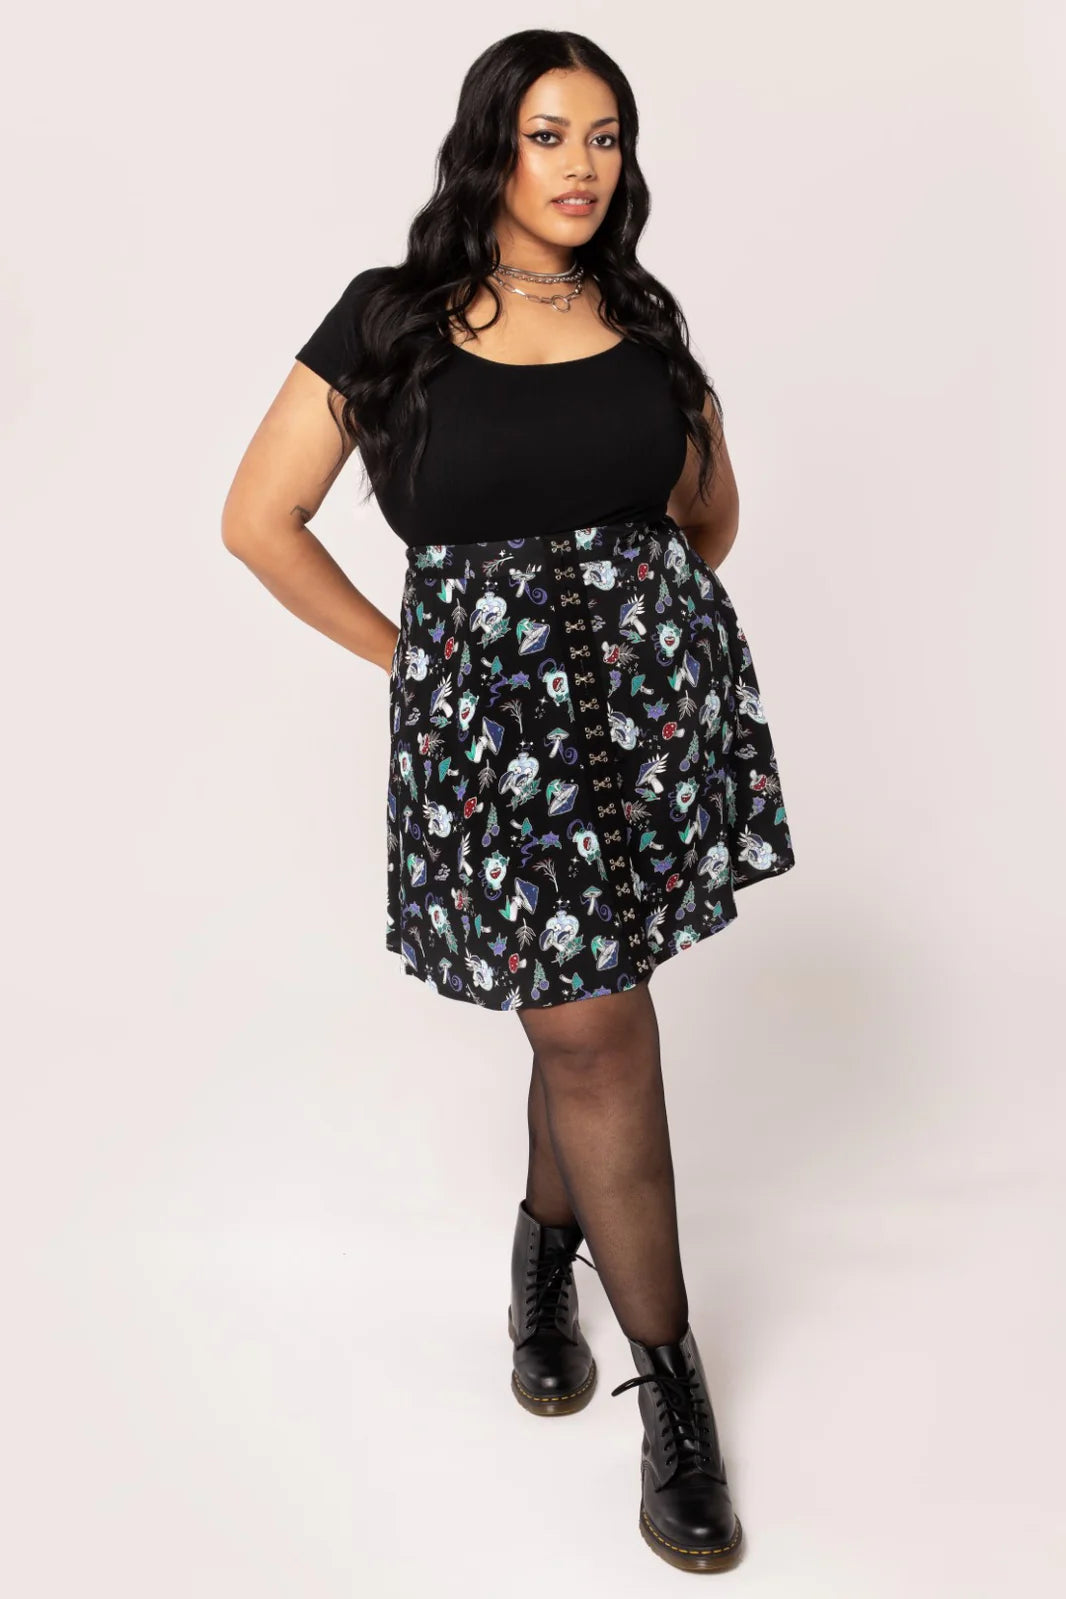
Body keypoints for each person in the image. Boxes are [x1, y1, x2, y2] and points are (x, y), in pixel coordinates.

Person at [221, 28, 796, 1575]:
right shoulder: (388, 317)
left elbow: (702, 525)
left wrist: (686, 446)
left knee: (583, 1012)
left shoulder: (640, 313)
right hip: (493, 744)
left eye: (607, 136)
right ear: (493, 146)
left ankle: (547, 1255)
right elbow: (256, 521)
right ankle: (671, 1388)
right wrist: (416, 661)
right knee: (595, 1024)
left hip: (649, 716)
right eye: (552, 134)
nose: (583, 166)